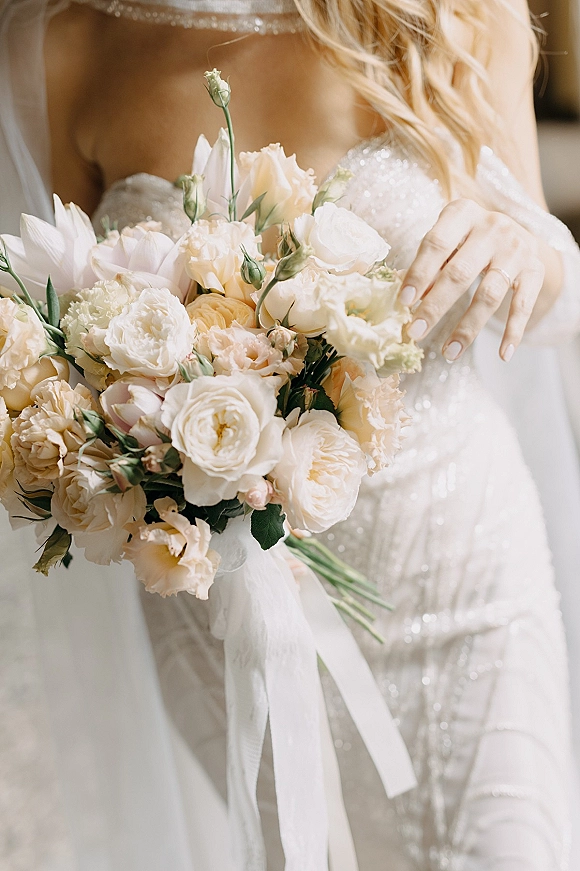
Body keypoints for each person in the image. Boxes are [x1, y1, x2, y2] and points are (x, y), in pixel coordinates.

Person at [1, 0, 580, 868]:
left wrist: (532, 252)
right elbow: (54, 324)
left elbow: (548, 277)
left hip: (457, 572)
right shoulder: (71, 37)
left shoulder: (449, 12)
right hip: (224, 613)